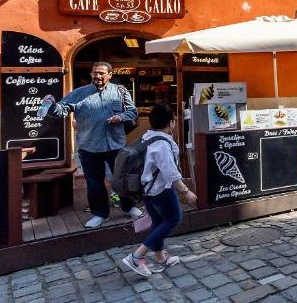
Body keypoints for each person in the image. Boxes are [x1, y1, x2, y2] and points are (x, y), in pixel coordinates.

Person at [46, 61, 143, 228]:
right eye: (94, 73)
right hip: (89, 145)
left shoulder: (120, 91)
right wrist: (51, 106)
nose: (97, 76)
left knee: (122, 179)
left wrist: (121, 117)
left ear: (110, 75)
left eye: (101, 73)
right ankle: (100, 214)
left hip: (115, 144)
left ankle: (128, 207)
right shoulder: (79, 93)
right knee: (94, 182)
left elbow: (132, 111)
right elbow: (61, 111)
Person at [122, 104, 197, 277]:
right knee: (173, 218)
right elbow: (170, 171)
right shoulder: (161, 144)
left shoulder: (148, 137)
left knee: (157, 222)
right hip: (160, 189)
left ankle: (161, 257)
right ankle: (136, 256)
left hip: (146, 189)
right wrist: (185, 191)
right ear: (171, 123)